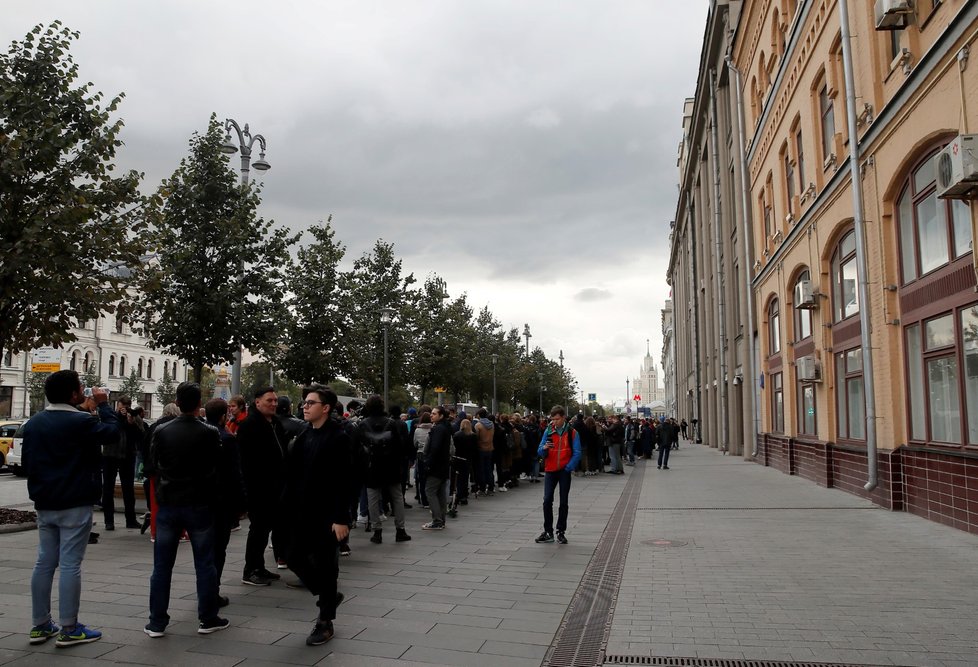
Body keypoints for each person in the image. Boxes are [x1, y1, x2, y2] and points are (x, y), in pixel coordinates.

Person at [23, 370, 118, 647]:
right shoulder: (80, 421)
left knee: (44, 562)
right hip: (75, 501)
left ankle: (40, 624)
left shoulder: (34, 423)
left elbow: (28, 464)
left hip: (45, 501)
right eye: (81, 388)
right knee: (70, 564)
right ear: (75, 394)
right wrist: (103, 404)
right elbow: (111, 432)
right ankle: (69, 627)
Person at [144, 382, 229, 638]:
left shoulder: (162, 430)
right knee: (205, 563)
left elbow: (152, 466)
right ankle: (207, 617)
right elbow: (217, 467)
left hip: (169, 503)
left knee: (161, 566)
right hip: (199, 503)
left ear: (178, 402)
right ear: (198, 403)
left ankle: (157, 622)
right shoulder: (210, 431)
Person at [281, 385, 353, 646]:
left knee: (326, 566)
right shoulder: (304, 433)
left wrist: (341, 518)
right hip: (301, 511)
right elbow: (294, 473)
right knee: (293, 557)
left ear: (326, 408)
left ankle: (325, 622)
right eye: (304, 402)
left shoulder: (339, 437)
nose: (305, 406)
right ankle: (328, 595)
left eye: (311, 403)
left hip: (328, 515)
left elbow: (344, 480)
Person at [237, 387, 289, 585]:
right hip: (258, 488)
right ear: (257, 402)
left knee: (266, 529)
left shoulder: (275, 423)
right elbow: (246, 461)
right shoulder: (250, 425)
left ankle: (259, 567)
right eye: (270, 400)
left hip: (276, 487)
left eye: (275, 400)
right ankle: (250, 570)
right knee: (258, 529)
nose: (274, 404)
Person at [203, 398, 245, 607]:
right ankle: (212, 590)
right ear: (223, 416)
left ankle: (205, 588)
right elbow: (234, 473)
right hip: (222, 501)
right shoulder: (227, 439)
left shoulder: (200, 434)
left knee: (206, 549)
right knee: (219, 549)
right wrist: (240, 504)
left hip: (201, 501)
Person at [355, 395, 411, 544]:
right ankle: (400, 530)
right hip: (391, 466)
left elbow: (357, 448)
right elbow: (400, 446)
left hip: (372, 467)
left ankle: (377, 532)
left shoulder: (363, 424)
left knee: (372, 499)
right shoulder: (392, 424)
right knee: (397, 498)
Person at [535, 406, 581, 545]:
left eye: (557, 419)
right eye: (552, 419)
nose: (554, 422)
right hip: (550, 469)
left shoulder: (572, 432)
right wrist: (544, 449)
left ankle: (561, 531)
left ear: (563, 417)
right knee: (547, 500)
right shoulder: (548, 431)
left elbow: (577, 452)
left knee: (563, 502)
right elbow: (539, 450)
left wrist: (568, 467)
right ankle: (548, 531)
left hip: (564, 470)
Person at [101, 396, 141, 530]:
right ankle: (109, 521)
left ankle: (131, 520)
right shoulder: (111, 416)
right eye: (122, 405)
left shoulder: (133, 418)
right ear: (117, 405)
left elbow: (140, 436)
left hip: (128, 455)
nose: (124, 408)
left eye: (127, 405)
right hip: (110, 455)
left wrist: (131, 422)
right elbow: (107, 432)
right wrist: (119, 417)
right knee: (108, 488)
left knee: (128, 489)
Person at [422, 405, 452, 530]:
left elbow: (435, 448)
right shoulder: (445, 427)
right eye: (431, 413)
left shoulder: (438, 429)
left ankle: (437, 520)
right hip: (443, 465)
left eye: (434, 414)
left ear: (441, 416)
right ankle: (441, 520)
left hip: (436, 466)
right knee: (440, 493)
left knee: (430, 491)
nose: (431, 415)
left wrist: (428, 463)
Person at [473, 408, 495, 495]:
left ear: (479, 415)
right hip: (490, 448)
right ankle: (491, 487)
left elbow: (476, 438)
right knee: (489, 469)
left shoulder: (478, 425)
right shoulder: (492, 424)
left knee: (481, 470)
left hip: (481, 449)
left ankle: (482, 488)